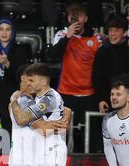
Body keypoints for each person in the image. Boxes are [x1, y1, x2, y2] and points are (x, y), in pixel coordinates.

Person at [46, 3, 103, 153]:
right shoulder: (61, 35)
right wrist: (68, 37)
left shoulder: (96, 38)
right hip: (66, 92)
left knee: (88, 136)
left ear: (86, 18)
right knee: (63, 134)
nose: (76, 18)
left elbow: (104, 65)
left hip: (89, 94)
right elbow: (51, 56)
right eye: (72, 15)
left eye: (79, 15)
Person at [92, 15, 129, 113]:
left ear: (125, 32)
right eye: (110, 30)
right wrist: (101, 99)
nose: (112, 34)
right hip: (108, 103)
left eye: (116, 30)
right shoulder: (102, 52)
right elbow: (97, 78)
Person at [0, 18, 32, 134]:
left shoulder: (21, 50)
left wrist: (7, 64)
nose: (4, 33)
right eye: (1, 29)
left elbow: (23, 76)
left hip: (13, 96)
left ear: (13, 31)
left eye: (8, 29)